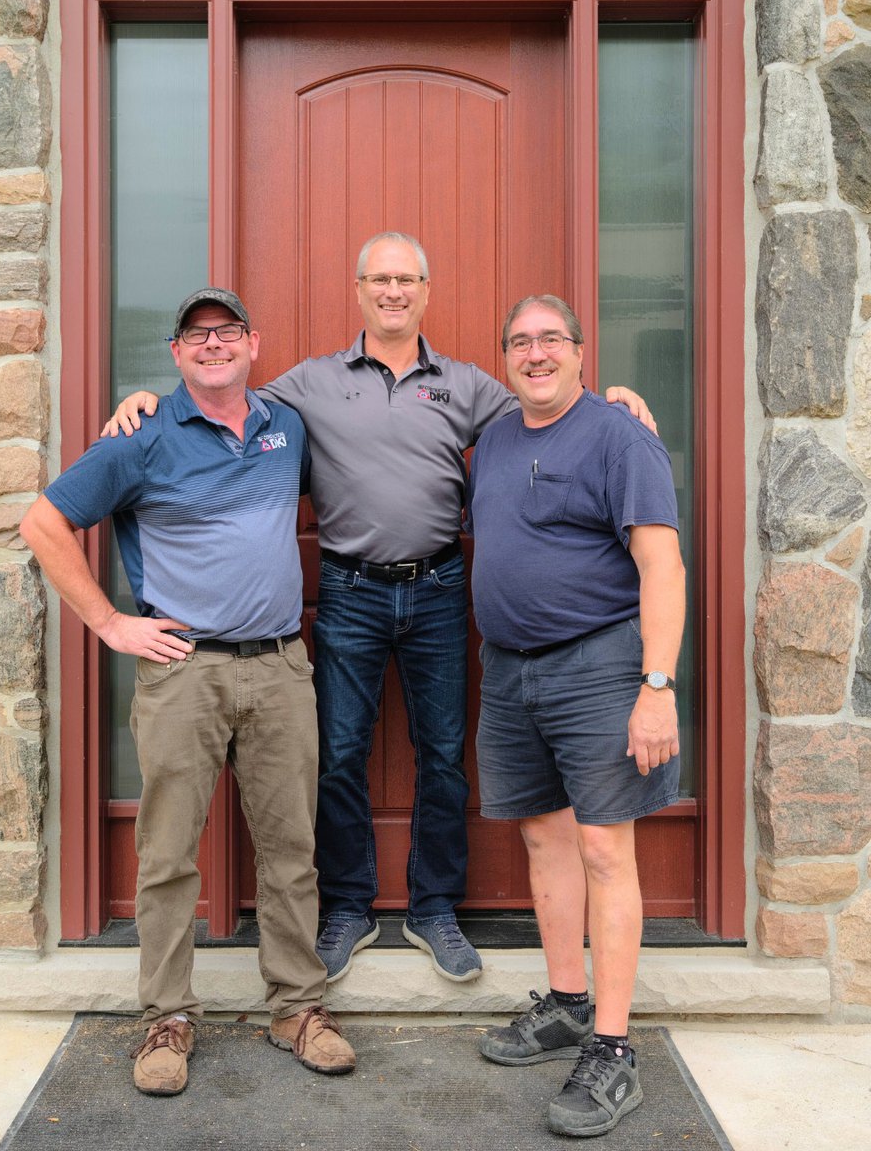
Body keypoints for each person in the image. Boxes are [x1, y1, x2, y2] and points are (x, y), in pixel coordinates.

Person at [105, 235, 655, 986]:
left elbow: (551, 407)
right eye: (379, 279)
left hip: (439, 588)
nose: (393, 291)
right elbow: (222, 398)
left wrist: (616, 398)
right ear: (359, 290)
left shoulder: (466, 385)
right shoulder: (311, 382)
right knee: (338, 753)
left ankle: (435, 908)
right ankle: (347, 906)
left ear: (426, 291)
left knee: (443, 754)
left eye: (406, 279)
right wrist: (145, 401)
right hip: (349, 591)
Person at [20, 287, 355, 1096]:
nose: (213, 345)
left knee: (292, 851)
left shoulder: (288, 427)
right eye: (196, 335)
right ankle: (166, 1017)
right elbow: (42, 523)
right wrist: (109, 623)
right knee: (167, 855)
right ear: (175, 354)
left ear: (253, 343)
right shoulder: (141, 435)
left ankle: (298, 1009)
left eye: (227, 331)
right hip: (183, 671)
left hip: (280, 667)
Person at [466, 294, 685, 1138]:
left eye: (551, 339)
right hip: (509, 668)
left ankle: (614, 1051)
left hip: (598, 666)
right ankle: (565, 1002)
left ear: (581, 352)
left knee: (602, 847)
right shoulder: (495, 439)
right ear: (506, 358)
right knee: (543, 837)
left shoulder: (619, 436)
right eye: (520, 342)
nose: (536, 353)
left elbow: (661, 566)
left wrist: (656, 686)